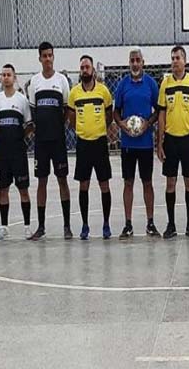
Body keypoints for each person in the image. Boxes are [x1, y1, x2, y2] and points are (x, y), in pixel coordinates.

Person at [26, 42, 73, 240]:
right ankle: (42, 226)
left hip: (58, 141)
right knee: (41, 182)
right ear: (39, 58)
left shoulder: (62, 81)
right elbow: (32, 111)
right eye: (44, 56)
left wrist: (57, 127)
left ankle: (67, 226)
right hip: (41, 142)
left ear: (54, 57)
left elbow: (66, 110)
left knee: (62, 180)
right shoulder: (34, 83)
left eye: (50, 55)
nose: (47, 59)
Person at [112, 49, 160, 239]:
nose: (135, 63)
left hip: (146, 144)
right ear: (129, 62)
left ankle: (150, 223)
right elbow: (116, 112)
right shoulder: (123, 84)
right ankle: (128, 224)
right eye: (132, 60)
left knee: (147, 182)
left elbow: (158, 110)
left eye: (138, 60)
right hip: (128, 145)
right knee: (128, 183)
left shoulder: (151, 84)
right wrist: (122, 124)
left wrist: (148, 123)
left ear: (143, 62)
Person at [156, 45, 189, 239]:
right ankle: (171, 224)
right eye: (173, 58)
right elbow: (161, 114)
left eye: (178, 58)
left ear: (185, 61)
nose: (175, 61)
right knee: (171, 183)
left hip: (188, 138)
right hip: (171, 141)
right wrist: (159, 143)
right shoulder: (165, 84)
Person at [67, 56, 115, 240]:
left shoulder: (103, 91)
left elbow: (109, 115)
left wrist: (99, 128)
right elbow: (71, 118)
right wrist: (82, 129)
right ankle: (85, 225)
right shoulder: (74, 93)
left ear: (93, 69)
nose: (84, 70)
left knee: (104, 184)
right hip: (83, 144)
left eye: (87, 67)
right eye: (82, 67)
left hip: (100, 143)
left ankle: (106, 224)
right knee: (84, 185)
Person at [0, 64, 33, 240]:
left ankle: (27, 226)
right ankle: (4, 227)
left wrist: (17, 138)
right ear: (1, 78)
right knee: (3, 190)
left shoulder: (22, 100)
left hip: (19, 152)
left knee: (23, 189)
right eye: (3, 75)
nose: (6, 77)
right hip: (3, 153)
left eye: (9, 74)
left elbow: (29, 125)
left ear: (14, 78)